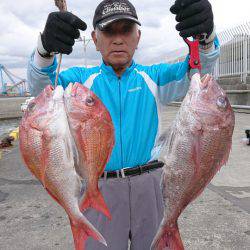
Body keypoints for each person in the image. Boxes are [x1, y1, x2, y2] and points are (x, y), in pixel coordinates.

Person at [27, 0, 219, 249]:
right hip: (98, 186)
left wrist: (206, 37)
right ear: (95, 39)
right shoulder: (78, 82)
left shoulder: (155, 76)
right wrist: (45, 51)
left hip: (150, 184)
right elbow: (41, 87)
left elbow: (199, 69)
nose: (118, 39)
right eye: (109, 31)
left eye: (125, 30)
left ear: (137, 37)